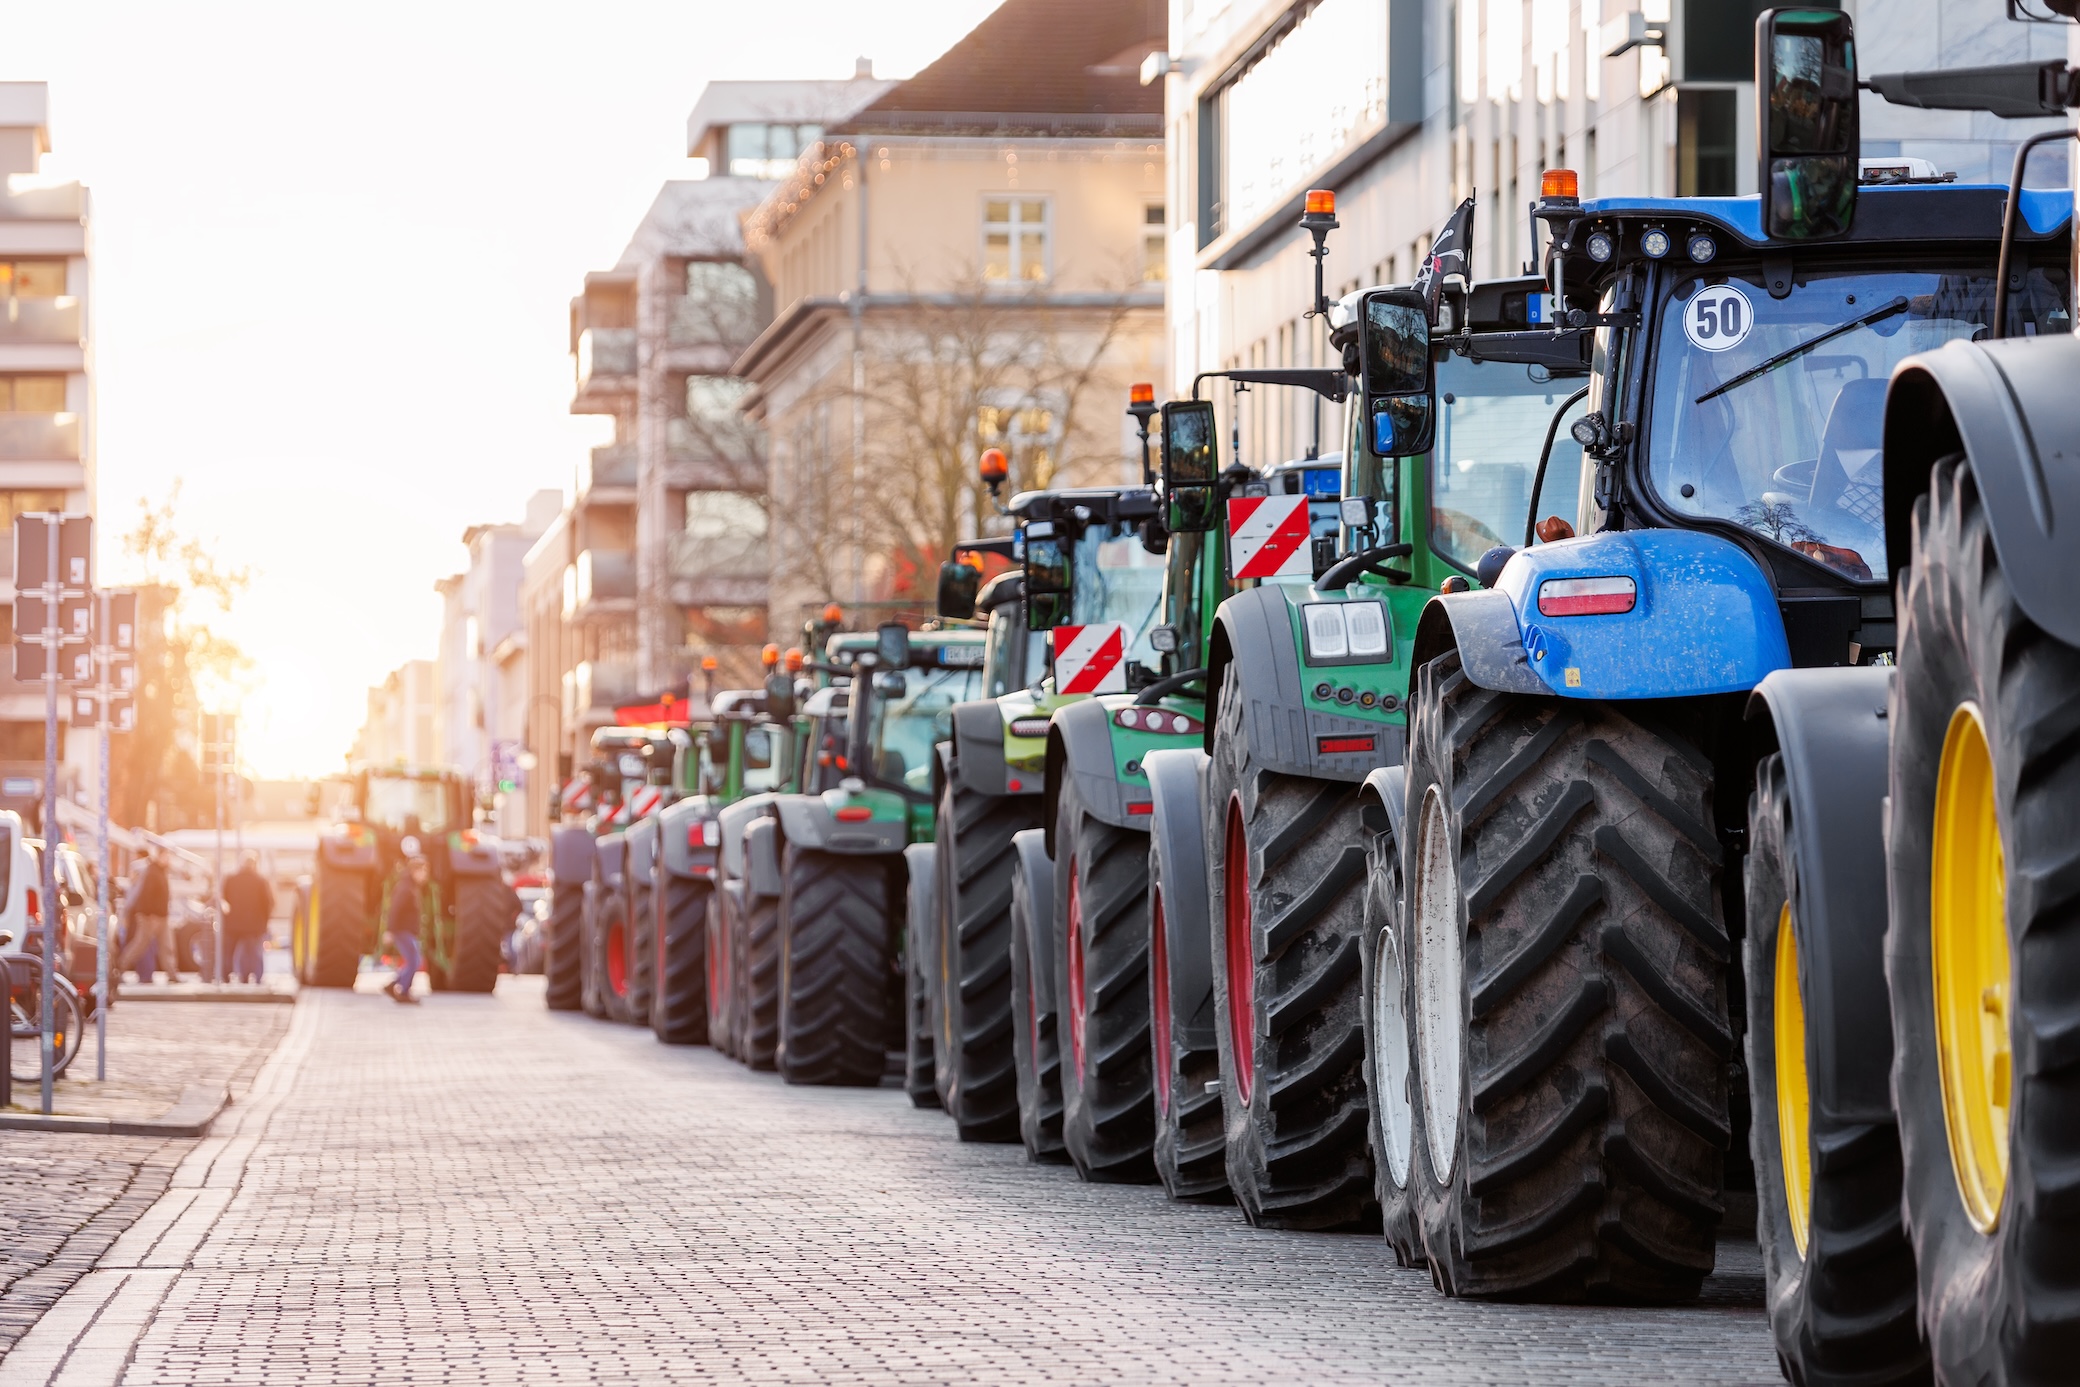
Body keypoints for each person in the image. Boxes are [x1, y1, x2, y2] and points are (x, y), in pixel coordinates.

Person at [118, 847, 178, 984]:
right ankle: (120, 967)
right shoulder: (152, 872)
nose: (168, 860)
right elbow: (145, 895)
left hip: (161, 916)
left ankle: (172, 974)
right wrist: (147, 914)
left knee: (167, 947)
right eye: (165, 856)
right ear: (159, 856)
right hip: (151, 917)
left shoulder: (161, 871)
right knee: (139, 945)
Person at [221, 851, 274, 985]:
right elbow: (268, 902)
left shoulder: (230, 880)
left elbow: (224, 900)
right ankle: (256, 977)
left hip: (233, 924)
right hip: (254, 925)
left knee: (229, 952)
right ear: (255, 864)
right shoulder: (261, 881)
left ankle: (226, 976)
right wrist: (265, 922)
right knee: (254, 953)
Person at [384, 854, 428, 1005]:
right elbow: (395, 909)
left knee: (412, 961)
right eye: (423, 871)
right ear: (415, 871)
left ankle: (393, 985)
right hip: (403, 931)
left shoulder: (410, 886)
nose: (425, 875)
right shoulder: (405, 887)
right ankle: (403, 991)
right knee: (414, 961)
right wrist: (390, 931)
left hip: (406, 931)